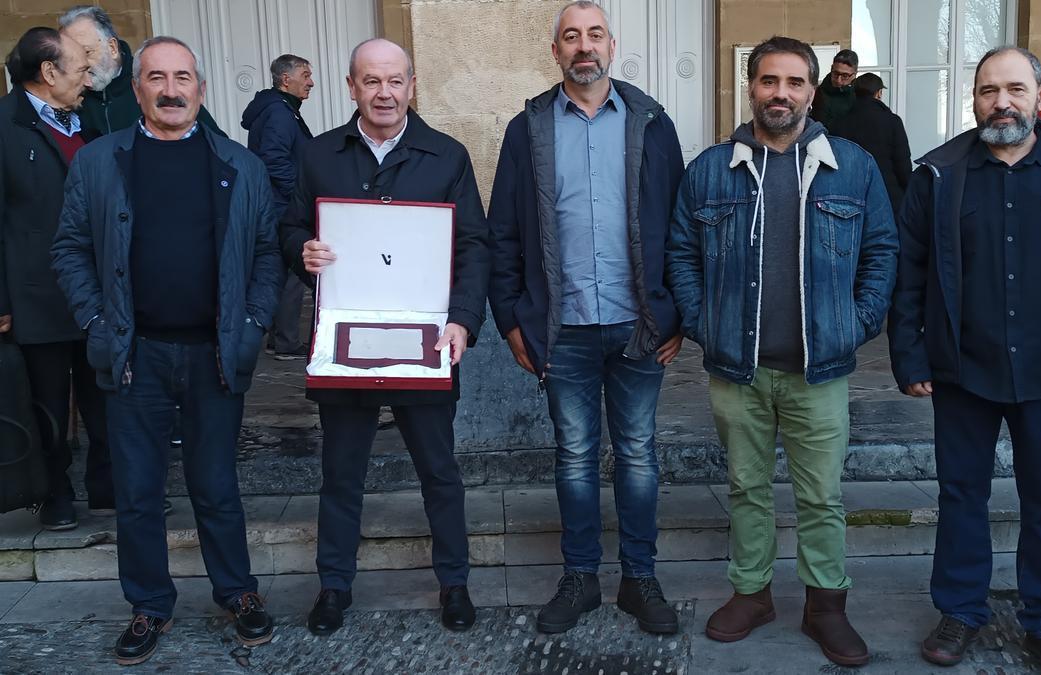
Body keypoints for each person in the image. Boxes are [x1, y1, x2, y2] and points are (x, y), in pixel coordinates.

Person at [888, 46, 1041, 675]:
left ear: (1038, 94)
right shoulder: (939, 174)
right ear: (972, 100)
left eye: (1014, 89)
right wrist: (910, 353)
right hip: (963, 371)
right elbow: (908, 274)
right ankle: (961, 611)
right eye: (987, 90)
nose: (1001, 102)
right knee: (961, 497)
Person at [666, 36, 896, 667]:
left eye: (795, 83)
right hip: (736, 367)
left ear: (812, 92)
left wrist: (857, 323)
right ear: (751, 87)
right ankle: (753, 593)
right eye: (769, 81)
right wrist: (702, 322)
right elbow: (681, 254)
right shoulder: (713, 168)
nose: (781, 94)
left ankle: (827, 606)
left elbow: (882, 250)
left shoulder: (852, 165)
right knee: (746, 486)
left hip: (818, 370)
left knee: (821, 494)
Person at [51, 36, 281, 665]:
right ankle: (149, 604)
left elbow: (267, 253)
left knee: (216, 486)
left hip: (213, 354)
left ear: (201, 91)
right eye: (158, 77)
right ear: (138, 90)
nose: (172, 89)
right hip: (133, 354)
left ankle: (238, 593)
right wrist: (97, 322)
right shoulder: (100, 162)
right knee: (138, 492)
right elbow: (69, 249)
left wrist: (255, 321)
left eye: (183, 77)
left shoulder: (241, 164)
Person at [278, 38, 490, 638]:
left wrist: (464, 319)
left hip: (426, 339)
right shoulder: (319, 155)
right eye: (371, 81)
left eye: (395, 81)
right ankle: (333, 586)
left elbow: (473, 243)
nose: (384, 93)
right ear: (351, 87)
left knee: (440, 474)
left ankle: (454, 583)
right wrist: (303, 250)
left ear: (412, 85)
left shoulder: (445, 156)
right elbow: (290, 225)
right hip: (345, 339)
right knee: (341, 475)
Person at [488, 0, 685, 636]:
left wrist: (678, 312)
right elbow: (503, 234)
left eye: (594, 34)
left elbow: (681, 228)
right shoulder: (529, 129)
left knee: (637, 454)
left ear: (611, 45)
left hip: (638, 327)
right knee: (573, 455)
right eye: (571, 37)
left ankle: (639, 578)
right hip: (562, 327)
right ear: (555, 52)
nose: (583, 46)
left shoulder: (652, 123)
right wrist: (512, 320)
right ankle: (579, 579)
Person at [0, 27, 108, 531]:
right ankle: (55, 494)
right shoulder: (4, 127)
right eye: (80, 68)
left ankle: (108, 486)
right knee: (46, 404)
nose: (89, 78)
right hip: (35, 296)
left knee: (104, 394)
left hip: (93, 291)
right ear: (48, 72)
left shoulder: (81, 123)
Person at [241, 53, 315, 361]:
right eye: (306, 75)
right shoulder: (280, 113)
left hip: (275, 204)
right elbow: (274, 159)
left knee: (281, 271)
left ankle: (277, 337)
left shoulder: (280, 109)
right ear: (286, 80)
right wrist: (298, 194)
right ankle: (285, 341)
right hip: (282, 206)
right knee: (294, 272)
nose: (311, 82)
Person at [59, 4, 225, 139]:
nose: (80, 64)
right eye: (71, 58)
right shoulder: (70, 94)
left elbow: (218, 147)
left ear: (112, 47)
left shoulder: (152, 81)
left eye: (87, 52)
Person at [828, 72, 912, 217]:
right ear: (878, 93)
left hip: (852, 196)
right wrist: (909, 191)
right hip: (889, 196)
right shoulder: (892, 121)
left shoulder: (839, 123)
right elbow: (902, 162)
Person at [810, 48, 857, 128]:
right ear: (832, 68)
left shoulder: (860, 94)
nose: (838, 81)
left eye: (845, 76)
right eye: (836, 73)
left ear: (854, 74)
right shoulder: (818, 93)